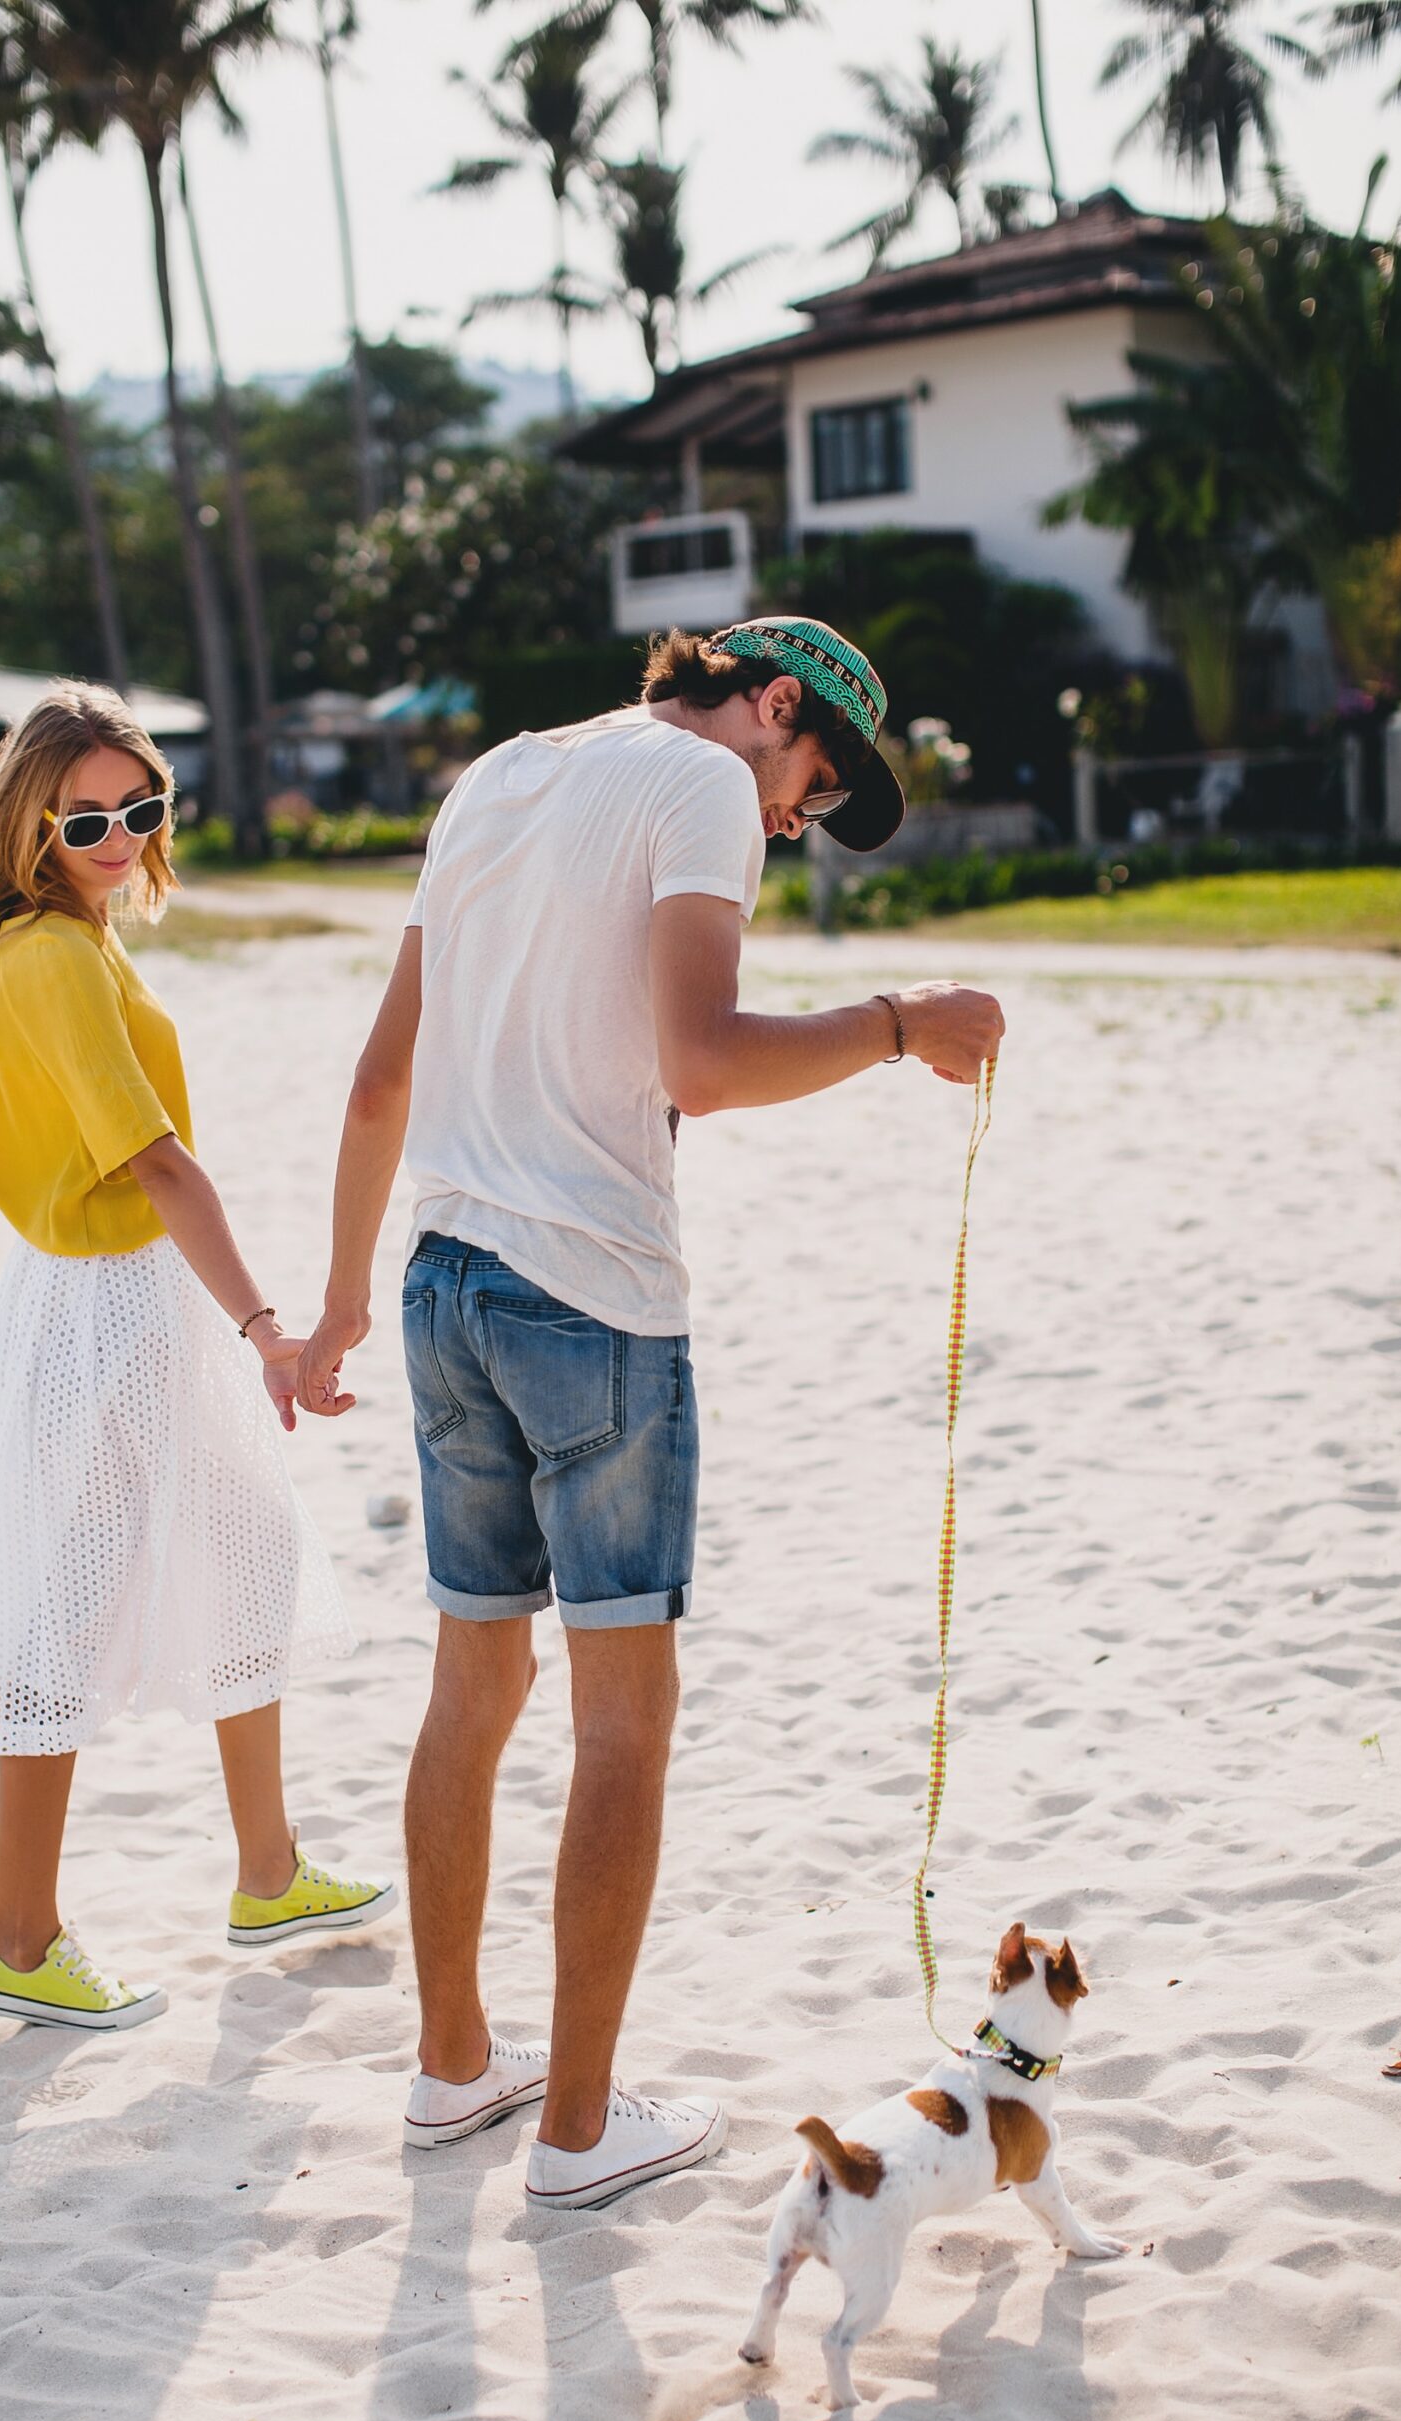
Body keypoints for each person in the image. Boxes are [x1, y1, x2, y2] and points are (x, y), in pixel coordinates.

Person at [297, 618, 1005, 2206]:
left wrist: (344, 1296)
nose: (788, 821)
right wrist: (900, 1027)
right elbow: (707, 1060)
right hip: (590, 1300)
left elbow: (377, 1080)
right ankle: (576, 2134)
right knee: (624, 1715)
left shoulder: (494, 777)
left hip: (441, 1282)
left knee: (471, 1685)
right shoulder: (696, 788)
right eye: (809, 786)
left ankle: (451, 2069)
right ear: (770, 709)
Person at [0, 681, 395, 2033]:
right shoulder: (52, 954)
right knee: (62, 1605)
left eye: (146, 807)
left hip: (125, 1293)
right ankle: (21, 1937)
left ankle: (267, 1871)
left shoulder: (58, 937)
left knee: (244, 1554)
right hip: (106, 1303)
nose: (125, 836)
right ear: (32, 821)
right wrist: (270, 1330)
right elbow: (156, 1163)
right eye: (93, 818)